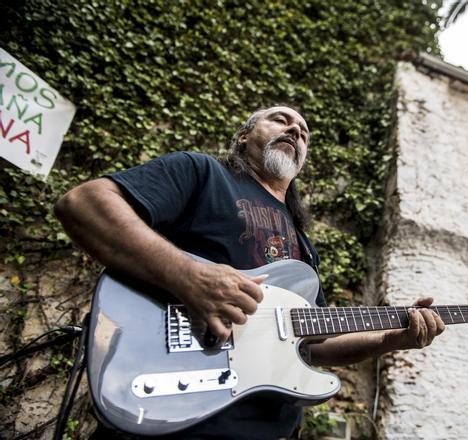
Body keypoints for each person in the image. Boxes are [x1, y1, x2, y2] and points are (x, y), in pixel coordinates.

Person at [55, 105, 445, 439]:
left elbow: (315, 342)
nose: (296, 130)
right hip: (173, 413)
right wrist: (190, 276)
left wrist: (390, 339)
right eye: (280, 120)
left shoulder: (302, 249)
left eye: (305, 133)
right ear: (244, 137)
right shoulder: (202, 172)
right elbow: (84, 204)